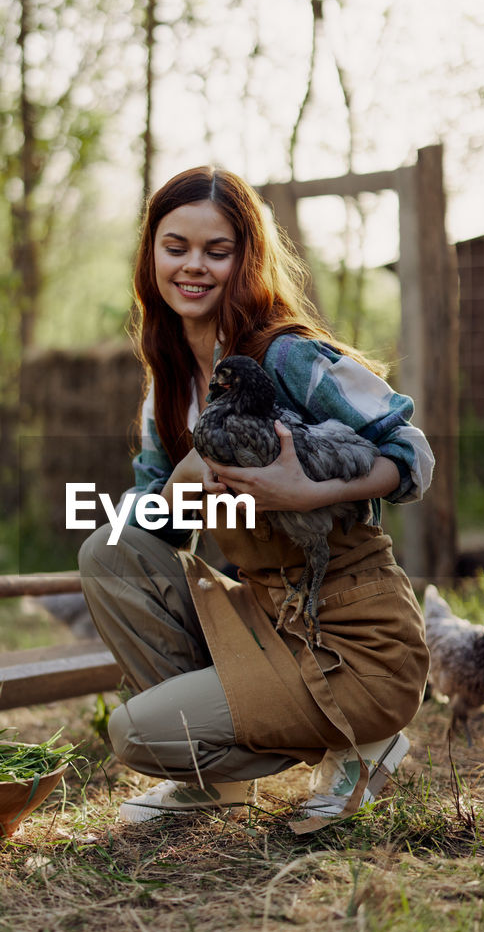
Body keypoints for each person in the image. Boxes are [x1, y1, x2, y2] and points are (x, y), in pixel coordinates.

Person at [78, 165, 433, 830]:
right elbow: (150, 526)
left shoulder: (289, 357)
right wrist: (181, 482)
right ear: (151, 252)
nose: (194, 267)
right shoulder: (171, 388)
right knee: (110, 549)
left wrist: (306, 488)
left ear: (246, 259)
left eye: (217, 251)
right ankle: (213, 784)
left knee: (137, 733)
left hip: (357, 634)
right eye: (175, 246)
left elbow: (413, 452)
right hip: (269, 619)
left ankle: (364, 741)